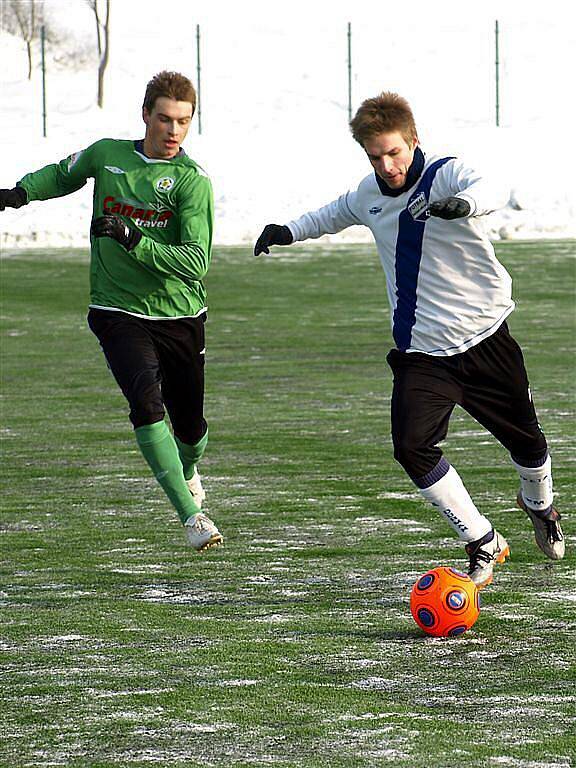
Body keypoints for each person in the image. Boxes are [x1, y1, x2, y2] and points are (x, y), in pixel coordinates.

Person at [254, 91, 564, 589]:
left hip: (486, 340)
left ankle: (541, 508)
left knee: (528, 445)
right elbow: (332, 214)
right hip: (423, 355)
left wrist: (464, 204)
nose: (387, 164)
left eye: (394, 152)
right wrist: (287, 230)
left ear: (413, 140)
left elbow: (493, 186)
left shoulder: (444, 174)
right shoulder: (368, 194)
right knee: (411, 447)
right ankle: (482, 540)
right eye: (375, 156)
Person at [0, 71, 223, 552]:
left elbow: (195, 264)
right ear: (145, 115)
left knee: (192, 430)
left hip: (179, 316)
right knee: (145, 405)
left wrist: (133, 237)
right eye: (164, 118)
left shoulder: (192, 183)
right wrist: (20, 193)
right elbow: (63, 173)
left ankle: (186, 469)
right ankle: (191, 517)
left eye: (183, 121)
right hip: (115, 309)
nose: (173, 130)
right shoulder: (108, 154)